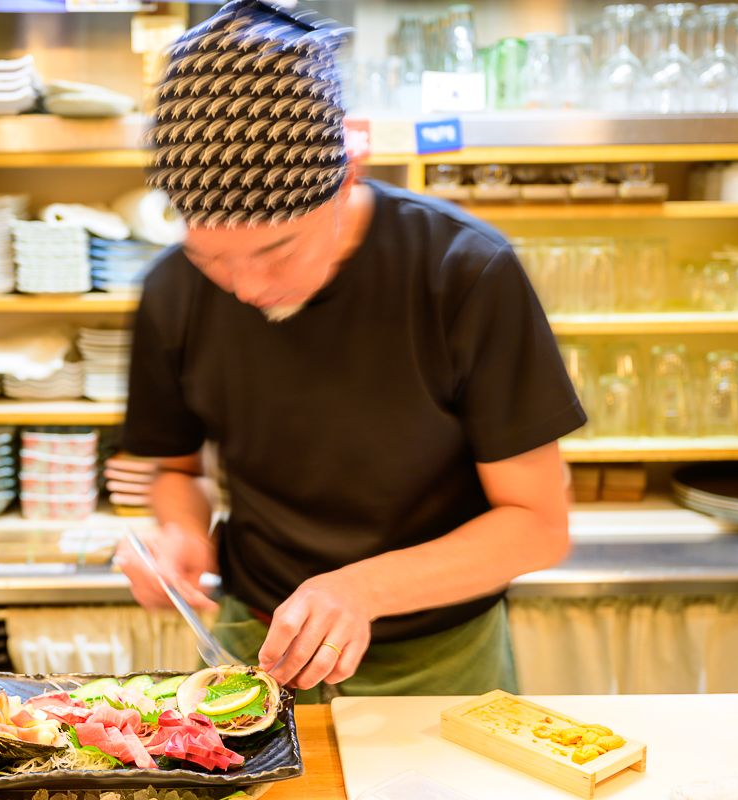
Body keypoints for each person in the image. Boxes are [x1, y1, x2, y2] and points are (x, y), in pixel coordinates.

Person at [117, 0, 585, 702]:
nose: (246, 288)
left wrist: (363, 589)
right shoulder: (171, 291)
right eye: (214, 257)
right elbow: (176, 470)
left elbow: (538, 526)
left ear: (351, 169)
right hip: (257, 649)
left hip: (439, 656)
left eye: (278, 249)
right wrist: (181, 533)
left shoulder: (462, 273)